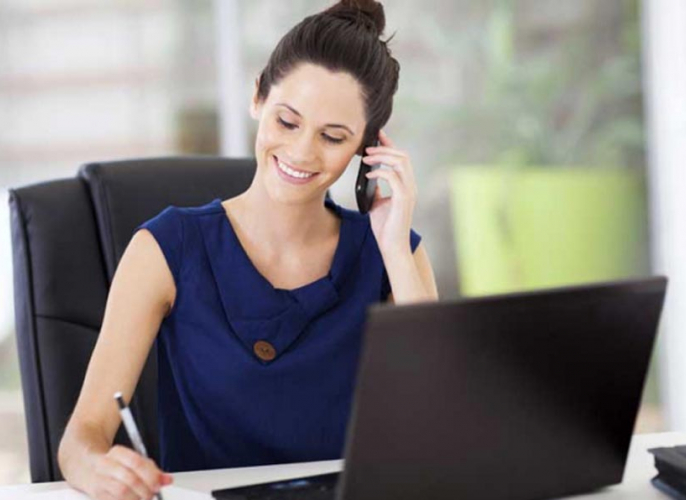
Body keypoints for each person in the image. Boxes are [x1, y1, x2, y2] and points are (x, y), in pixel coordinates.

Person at [57, 1, 439, 498]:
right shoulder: (166, 248)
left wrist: (393, 246)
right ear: (257, 96)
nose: (302, 152)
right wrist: (98, 468)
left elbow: (439, 422)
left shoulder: (391, 254)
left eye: (332, 137)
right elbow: (80, 440)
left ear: (367, 150)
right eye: (287, 122)